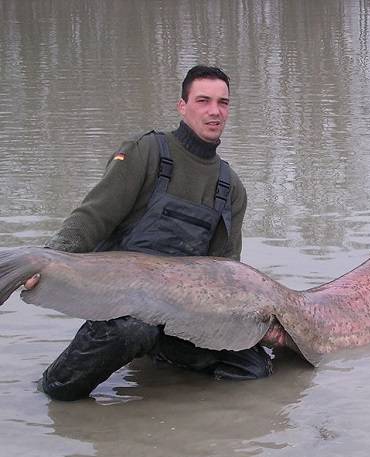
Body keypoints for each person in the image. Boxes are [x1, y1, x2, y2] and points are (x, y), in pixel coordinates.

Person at [25, 65, 272, 401]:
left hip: (183, 313)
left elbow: (225, 273)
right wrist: (48, 259)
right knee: (132, 331)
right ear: (182, 107)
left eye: (223, 103)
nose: (215, 111)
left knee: (254, 367)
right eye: (203, 100)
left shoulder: (231, 188)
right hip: (123, 306)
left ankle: (173, 389)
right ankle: (54, 383)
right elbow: (93, 216)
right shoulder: (146, 152)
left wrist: (253, 323)